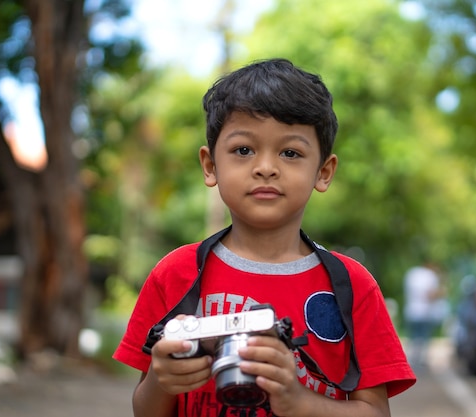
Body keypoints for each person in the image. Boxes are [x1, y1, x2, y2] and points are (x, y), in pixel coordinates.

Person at [113, 58, 416, 417]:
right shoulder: (176, 273)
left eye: (290, 153)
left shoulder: (352, 286)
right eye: (243, 150)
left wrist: (298, 401)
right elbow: (145, 410)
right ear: (210, 166)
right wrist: (163, 380)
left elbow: (376, 413)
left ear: (323, 171)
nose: (266, 167)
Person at [403, 262, 446, 368]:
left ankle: (411, 360)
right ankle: (419, 361)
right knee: (423, 338)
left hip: (411, 310)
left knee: (413, 337)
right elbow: (430, 295)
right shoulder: (430, 276)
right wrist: (441, 293)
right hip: (425, 312)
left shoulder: (412, 274)